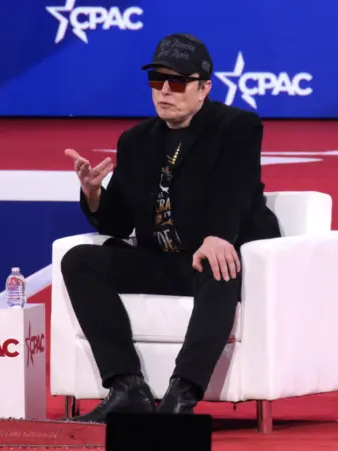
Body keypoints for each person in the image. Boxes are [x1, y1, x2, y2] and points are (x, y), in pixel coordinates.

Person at [61, 33, 281, 423]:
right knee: (79, 260)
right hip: (164, 260)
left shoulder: (236, 127)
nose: (164, 91)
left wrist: (218, 235)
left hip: (217, 262)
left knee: (218, 263)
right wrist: (94, 194)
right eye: (157, 81)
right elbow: (119, 223)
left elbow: (237, 188)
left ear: (203, 88)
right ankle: (127, 386)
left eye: (177, 83)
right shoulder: (136, 140)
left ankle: (183, 393)